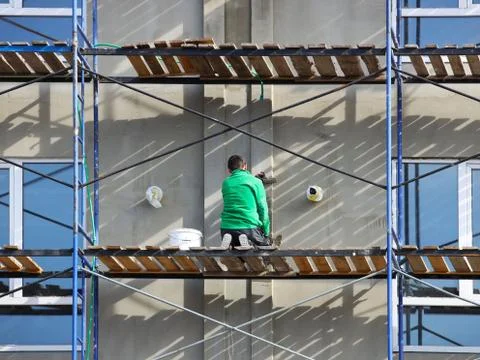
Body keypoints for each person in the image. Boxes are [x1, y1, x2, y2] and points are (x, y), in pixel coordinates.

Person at [220, 155, 271, 248]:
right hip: (248, 228)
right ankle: (247, 241)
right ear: (245, 166)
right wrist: (266, 233)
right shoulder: (256, 182)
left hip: (226, 229)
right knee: (265, 248)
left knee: (237, 257)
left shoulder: (225, 183)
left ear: (229, 170)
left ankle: (232, 243)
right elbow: (263, 209)